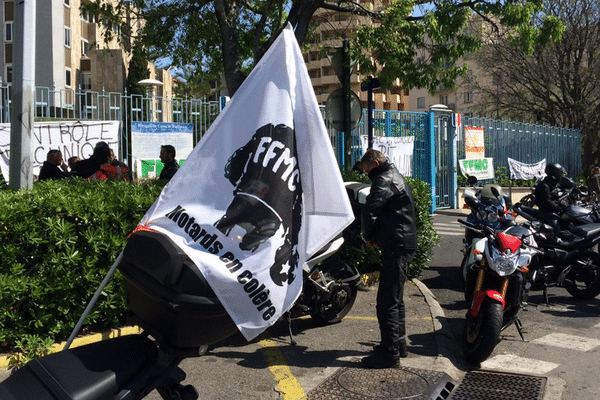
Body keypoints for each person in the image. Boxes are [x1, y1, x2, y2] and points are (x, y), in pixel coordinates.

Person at [356, 149, 417, 369]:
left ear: (374, 163)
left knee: (387, 302)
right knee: (396, 298)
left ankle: (390, 354)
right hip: (402, 241)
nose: (365, 173)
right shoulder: (393, 175)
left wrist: (368, 236)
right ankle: (398, 344)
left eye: (366, 168)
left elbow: (371, 209)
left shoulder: (383, 179)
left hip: (396, 244)